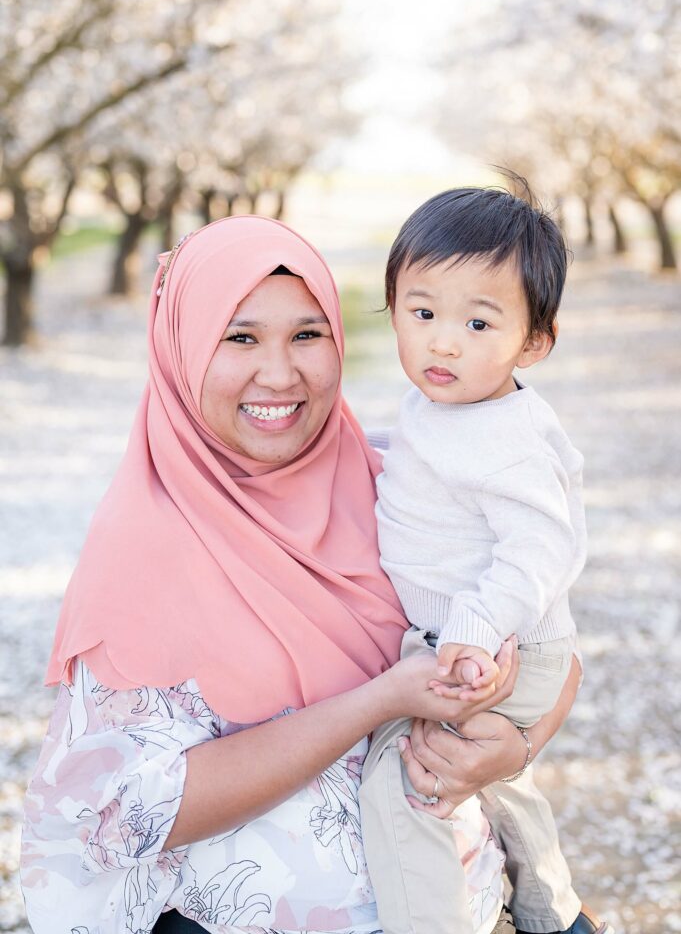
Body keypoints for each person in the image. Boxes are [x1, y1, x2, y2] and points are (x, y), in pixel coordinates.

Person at [20, 215, 580, 934]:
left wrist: (515, 748)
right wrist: (377, 702)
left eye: (308, 335)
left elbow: (553, 654)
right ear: (182, 348)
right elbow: (122, 814)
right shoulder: (143, 545)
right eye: (240, 337)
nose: (280, 374)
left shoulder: (392, 479)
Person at [359, 187, 613, 934]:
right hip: (492, 639)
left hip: (496, 642)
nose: (442, 342)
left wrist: (472, 627)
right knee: (502, 783)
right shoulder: (446, 406)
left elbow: (542, 544)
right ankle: (552, 912)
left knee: (407, 783)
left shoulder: (504, 438)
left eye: (477, 322)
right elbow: (422, 456)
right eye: (422, 312)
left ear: (533, 342)